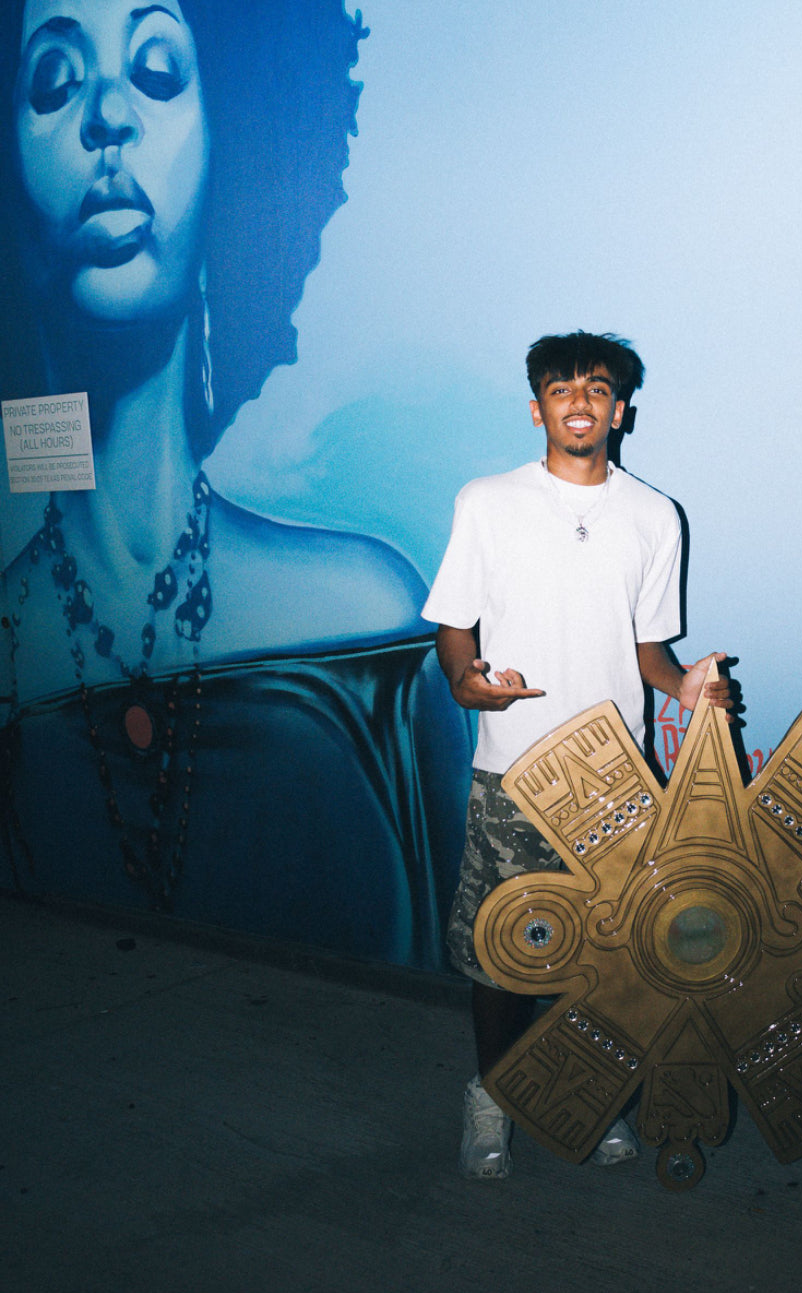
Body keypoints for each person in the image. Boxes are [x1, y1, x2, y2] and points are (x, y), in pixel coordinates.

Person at [0, 0, 469, 965]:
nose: (107, 117)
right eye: (54, 82)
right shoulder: (14, 642)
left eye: (156, 71)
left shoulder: (372, 621)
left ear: (231, 141)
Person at [423, 331, 733, 1178]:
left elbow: (648, 651)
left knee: (606, 954)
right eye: (560, 389)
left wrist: (685, 688)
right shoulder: (487, 501)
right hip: (515, 768)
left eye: (596, 388)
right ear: (537, 409)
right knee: (504, 952)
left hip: (615, 779)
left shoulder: (654, 515)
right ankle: (491, 1097)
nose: (579, 403)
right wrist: (462, 681)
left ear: (619, 410)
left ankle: (590, 1095)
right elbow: (455, 623)